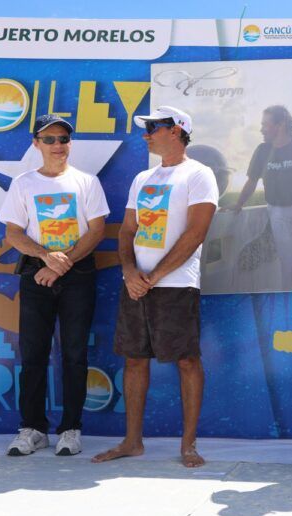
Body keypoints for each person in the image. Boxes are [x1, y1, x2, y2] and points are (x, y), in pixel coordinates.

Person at [92, 106, 219, 468]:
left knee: (187, 360)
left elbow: (196, 233)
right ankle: (132, 442)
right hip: (137, 285)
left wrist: (156, 275)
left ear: (176, 130)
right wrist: (130, 272)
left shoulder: (200, 174)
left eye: (153, 128)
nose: (146, 135)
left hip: (176, 284)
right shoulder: (142, 178)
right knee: (134, 359)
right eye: (146, 129)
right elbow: (128, 231)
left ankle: (188, 445)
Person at [0, 114, 109, 456]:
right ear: (37, 144)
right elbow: (13, 232)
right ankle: (32, 428)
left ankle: (71, 429)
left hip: (77, 275)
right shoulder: (23, 183)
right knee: (33, 353)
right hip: (36, 274)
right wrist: (46, 257)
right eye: (49, 139)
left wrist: (62, 264)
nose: (57, 145)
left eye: (63, 139)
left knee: (74, 353)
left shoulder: (87, 182)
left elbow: (97, 231)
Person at [230, 105, 292, 291]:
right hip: (279, 212)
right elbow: (251, 181)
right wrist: (238, 204)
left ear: (280, 125)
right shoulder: (262, 151)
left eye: (265, 125)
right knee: (289, 264)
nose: (261, 129)